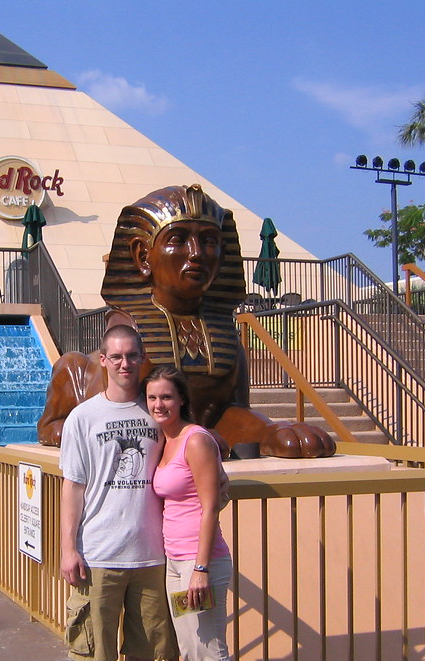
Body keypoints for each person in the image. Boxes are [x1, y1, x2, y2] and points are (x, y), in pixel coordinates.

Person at [38, 183, 335, 460]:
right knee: (72, 363)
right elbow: (126, 414)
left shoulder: (226, 339)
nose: (197, 254)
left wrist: (268, 431)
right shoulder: (129, 339)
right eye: (178, 240)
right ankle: (53, 421)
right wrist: (190, 435)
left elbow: (228, 412)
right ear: (143, 256)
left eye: (209, 241)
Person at [60, 324, 173, 661]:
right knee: (94, 644)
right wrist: (69, 548)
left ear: (142, 358)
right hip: (100, 551)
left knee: (146, 643)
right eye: (117, 356)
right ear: (103, 361)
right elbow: (73, 486)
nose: (125, 364)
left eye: (133, 355)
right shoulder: (83, 417)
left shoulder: (158, 412)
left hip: (150, 552)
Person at [144, 364, 242, 661]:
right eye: (152, 397)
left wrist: (200, 569)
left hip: (201, 565)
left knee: (210, 649)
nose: (159, 404)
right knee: (192, 648)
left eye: (166, 396)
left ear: (182, 398)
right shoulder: (164, 440)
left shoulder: (195, 440)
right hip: (177, 561)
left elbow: (209, 508)